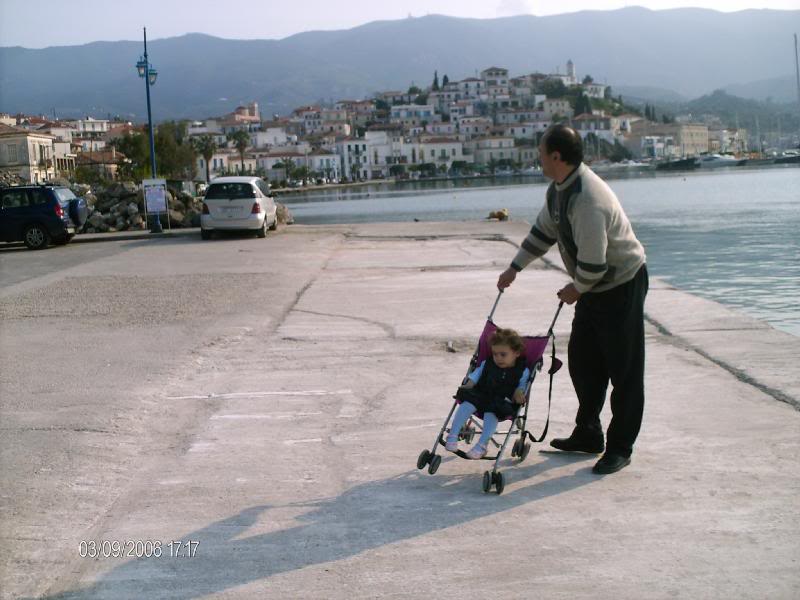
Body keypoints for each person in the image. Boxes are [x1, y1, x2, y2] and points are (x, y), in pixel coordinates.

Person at [497, 124, 648, 475]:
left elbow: (594, 264)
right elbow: (543, 233)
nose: (538, 158)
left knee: (624, 370)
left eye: (541, 153)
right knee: (583, 361)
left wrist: (576, 289)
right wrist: (514, 267)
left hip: (620, 284)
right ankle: (588, 433)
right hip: (594, 286)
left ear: (556, 156)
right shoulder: (559, 189)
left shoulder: (588, 199)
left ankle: (620, 447)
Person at [446, 328, 530, 459]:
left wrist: (519, 392)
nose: (498, 358)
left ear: (517, 353)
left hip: (501, 401)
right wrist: (470, 383)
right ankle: (453, 435)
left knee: (492, 411)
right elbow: (476, 374)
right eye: (495, 354)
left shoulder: (522, 370)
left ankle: (482, 445)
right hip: (482, 393)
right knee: (468, 402)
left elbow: (522, 385)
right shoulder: (488, 363)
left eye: (503, 354)